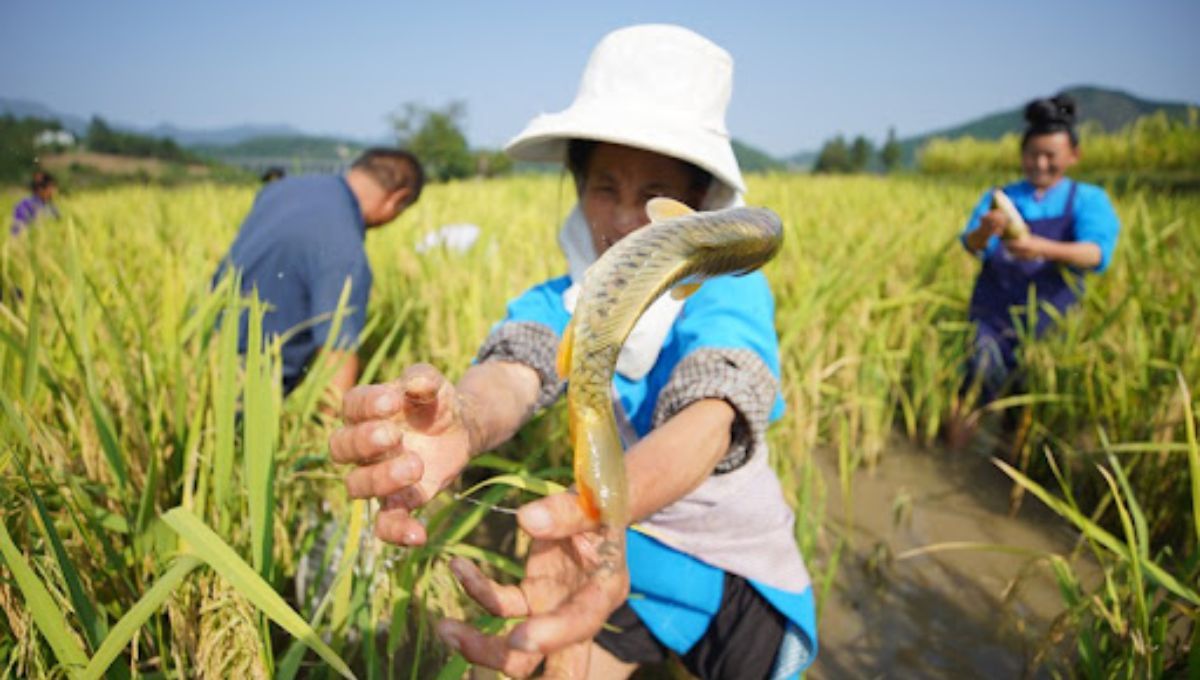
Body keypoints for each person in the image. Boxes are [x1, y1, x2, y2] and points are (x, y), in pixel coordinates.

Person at [330, 24, 817, 679]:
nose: (620, 220)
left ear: (697, 205)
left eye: (652, 195)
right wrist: (464, 420)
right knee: (544, 660)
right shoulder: (561, 303)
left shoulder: (726, 295)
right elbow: (514, 370)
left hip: (734, 563)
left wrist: (599, 504)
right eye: (604, 187)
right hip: (616, 549)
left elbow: (711, 416)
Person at [949, 94, 1120, 445]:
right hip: (992, 315)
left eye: (1050, 156)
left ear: (1074, 155)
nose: (1040, 164)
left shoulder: (1088, 200)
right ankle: (955, 455)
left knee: (1029, 407)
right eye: (1032, 155)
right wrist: (986, 230)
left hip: (1050, 322)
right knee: (974, 385)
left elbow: (1096, 253)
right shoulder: (1000, 197)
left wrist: (1041, 248)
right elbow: (970, 244)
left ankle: (1010, 465)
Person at [213, 148, 424, 396]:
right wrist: (329, 428)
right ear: (397, 199)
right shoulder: (345, 251)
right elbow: (336, 358)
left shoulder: (281, 189)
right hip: (251, 389)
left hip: (207, 348)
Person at [10, 170, 60, 237]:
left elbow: (59, 226)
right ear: (40, 189)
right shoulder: (24, 205)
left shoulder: (52, 207)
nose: (53, 192)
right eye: (51, 188)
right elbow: (16, 231)